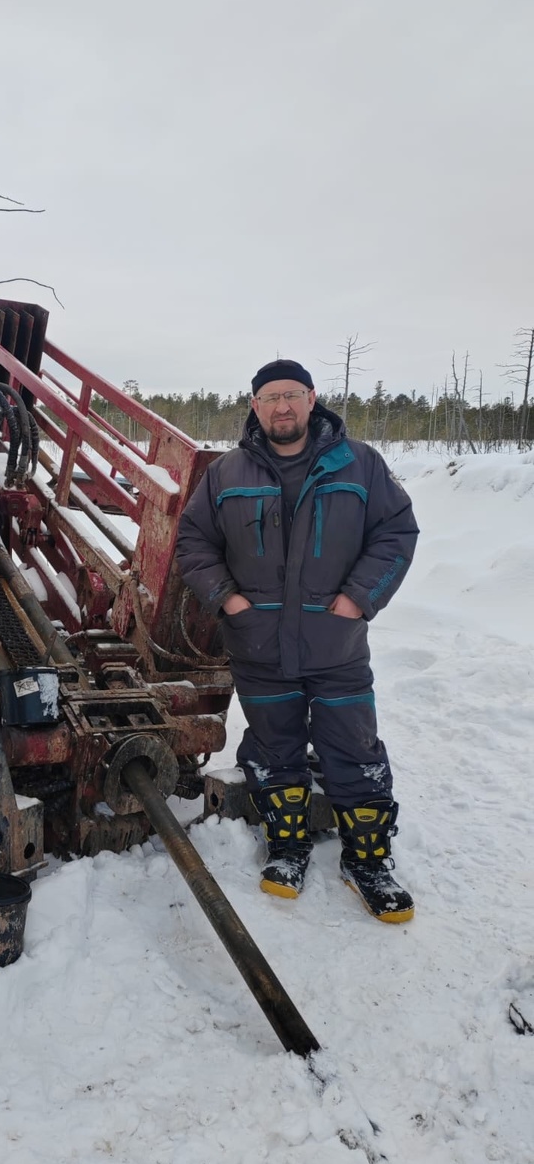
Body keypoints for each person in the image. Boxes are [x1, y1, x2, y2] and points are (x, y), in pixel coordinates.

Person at [176, 359, 419, 924]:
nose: (281, 406)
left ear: (312, 399)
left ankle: (369, 862)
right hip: (258, 647)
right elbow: (193, 541)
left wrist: (360, 598)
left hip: (337, 646)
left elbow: (396, 531)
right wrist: (228, 600)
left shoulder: (358, 464)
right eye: (269, 397)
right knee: (274, 751)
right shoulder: (227, 473)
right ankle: (287, 848)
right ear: (255, 406)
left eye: (291, 395)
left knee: (355, 754)